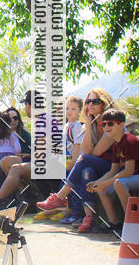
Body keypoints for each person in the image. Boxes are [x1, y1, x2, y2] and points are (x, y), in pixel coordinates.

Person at [34, 88, 117, 227]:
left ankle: (60, 197)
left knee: (84, 160)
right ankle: (89, 218)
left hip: (114, 167)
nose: (90, 104)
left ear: (104, 103)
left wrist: (87, 129)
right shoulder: (89, 125)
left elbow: (94, 153)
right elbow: (87, 150)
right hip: (96, 167)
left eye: (95, 101)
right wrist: (88, 125)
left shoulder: (111, 123)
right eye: (88, 101)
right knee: (87, 171)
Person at [84, 109, 139, 233]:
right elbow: (113, 170)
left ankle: (131, 224)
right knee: (101, 188)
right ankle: (114, 223)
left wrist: (106, 183)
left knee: (118, 183)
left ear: (122, 125)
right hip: (133, 177)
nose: (106, 127)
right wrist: (98, 183)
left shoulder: (129, 141)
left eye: (110, 124)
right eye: (103, 124)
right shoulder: (116, 144)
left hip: (135, 176)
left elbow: (128, 172)